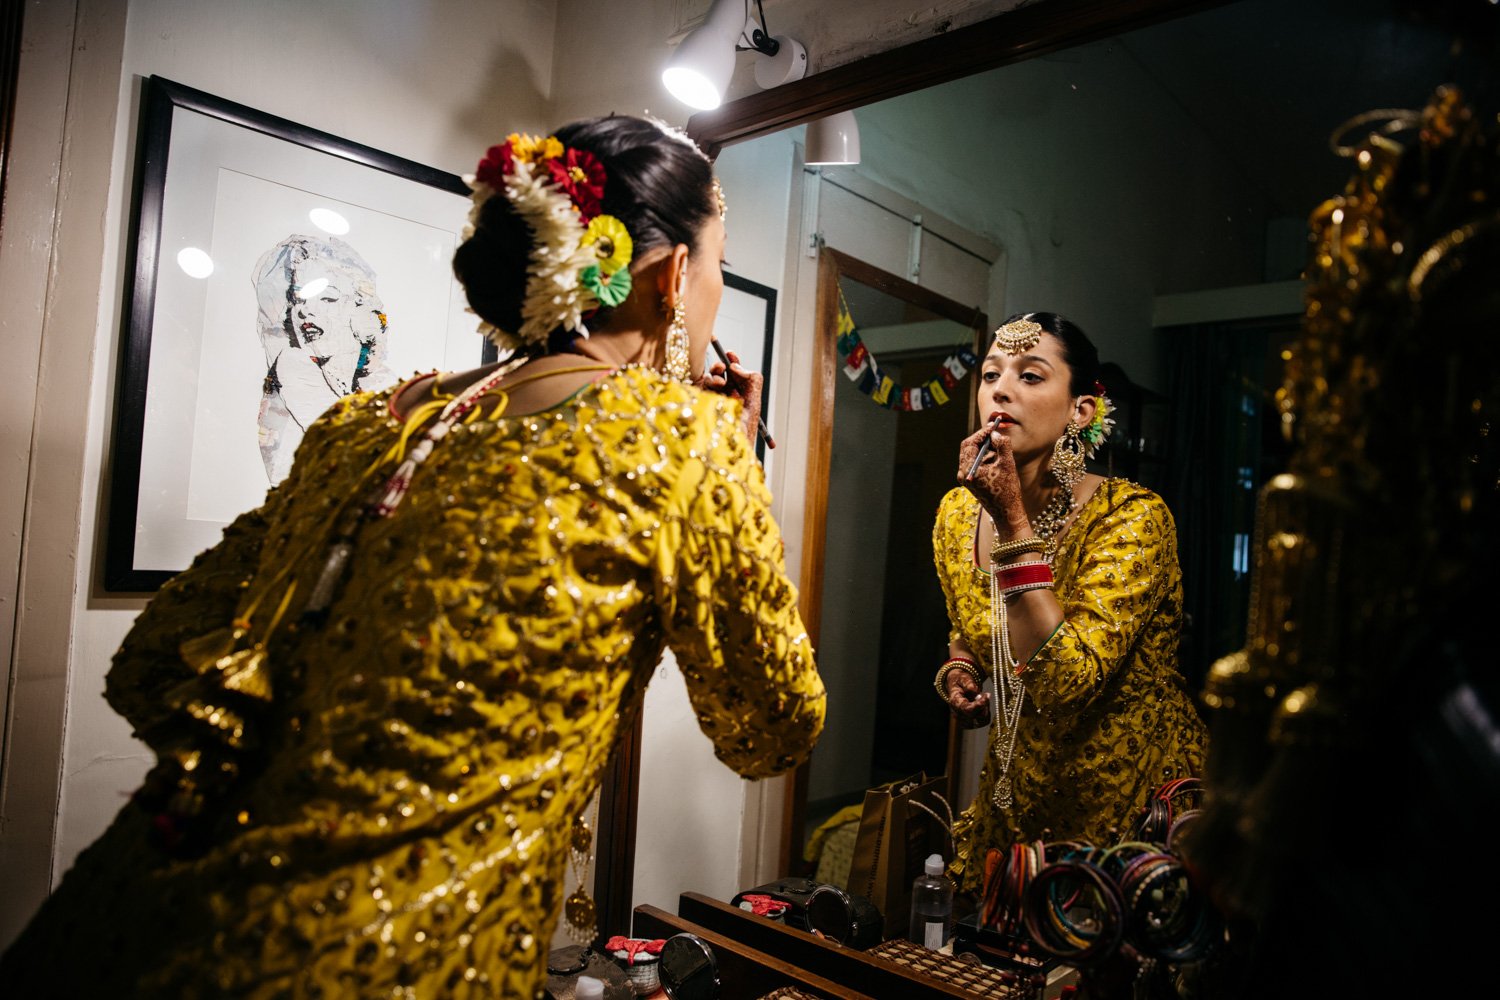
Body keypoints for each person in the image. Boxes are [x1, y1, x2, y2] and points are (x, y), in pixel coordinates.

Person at [0, 117, 825, 998]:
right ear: (668, 279)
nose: (714, 301)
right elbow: (770, 727)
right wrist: (724, 466)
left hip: (125, 926)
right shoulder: (683, 444)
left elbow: (157, 661)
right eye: (718, 268)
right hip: (386, 965)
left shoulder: (364, 426)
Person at [931, 311, 1205, 890]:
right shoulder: (957, 514)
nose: (1000, 389)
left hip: (1125, 800)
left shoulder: (1130, 518)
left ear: (1080, 411)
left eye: (1031, 376)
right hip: (1017, 786)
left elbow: (1063, 680)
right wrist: (961, 664)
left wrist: (1011, 522)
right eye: (990, 374)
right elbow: (970, 616)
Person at [252, 234, 399, 483]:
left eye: (327, 298)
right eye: (299, 300)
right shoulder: (293, 363)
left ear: (360, 310)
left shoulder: (380, 378)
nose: (305, 310)